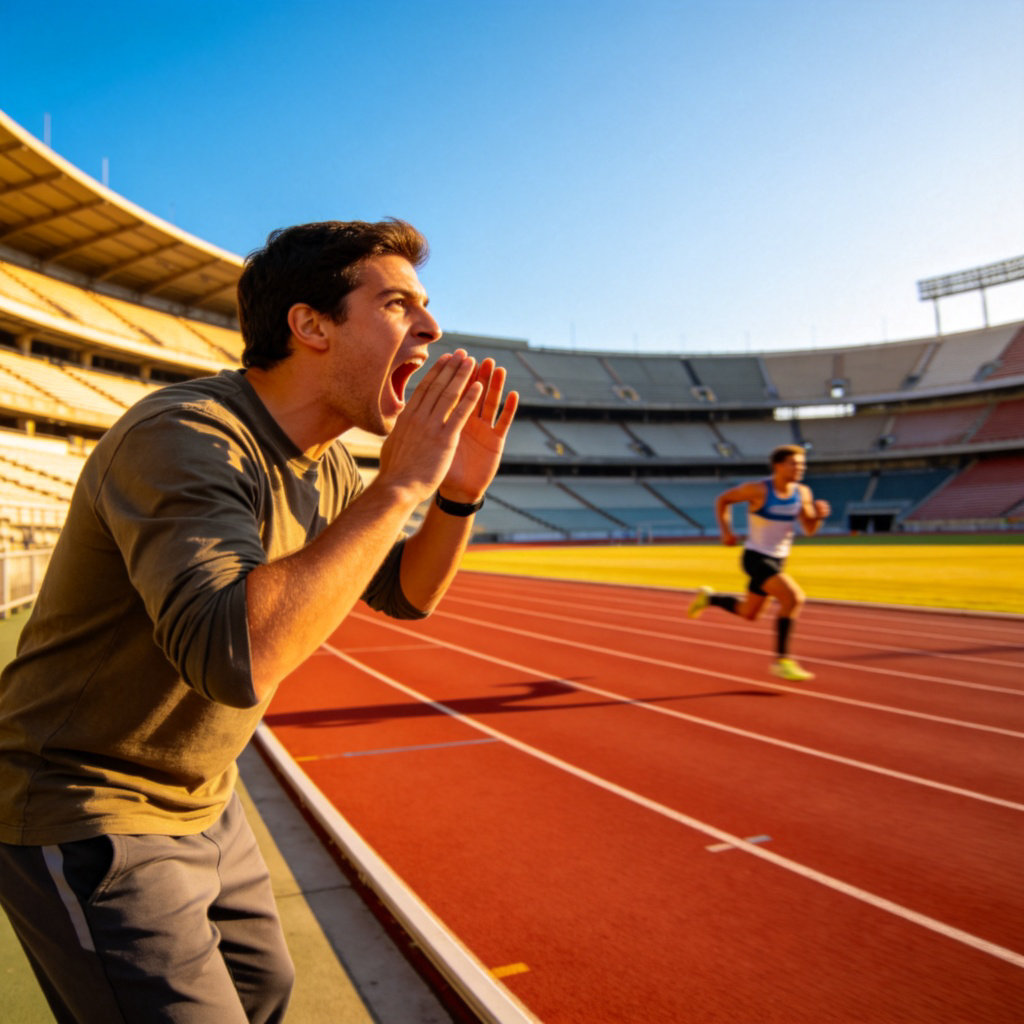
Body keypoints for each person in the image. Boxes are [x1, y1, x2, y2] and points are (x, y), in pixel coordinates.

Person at [0, 218, 518, 1023]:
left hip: (205, 797)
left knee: (263, 993)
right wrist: (401, 486)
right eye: (396, 304)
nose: (431, 325)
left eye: (426, 306)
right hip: (84, 801)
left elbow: (408, 595)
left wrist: (455, 493)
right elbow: (234, 658)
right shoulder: (187, 436)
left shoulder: (334, 463)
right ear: (310, 325)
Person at [686, 444, 830, 681]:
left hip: (778, 559)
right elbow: (723, 500)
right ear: (779, 466)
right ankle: (783, 661)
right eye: (795, 463)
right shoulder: (758, 490)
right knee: (793, 598)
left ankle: (709, 598)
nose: (800, 468)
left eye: (803, 464)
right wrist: (726, 531)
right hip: (755, 557)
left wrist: (818, 517)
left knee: (749, 613)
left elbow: (809, 528)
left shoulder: (803, 493)